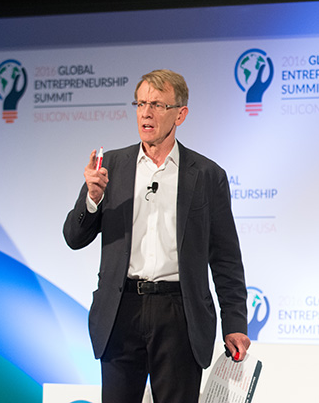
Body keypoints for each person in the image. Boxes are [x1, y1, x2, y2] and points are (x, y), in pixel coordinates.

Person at [63, 69, 250, 403]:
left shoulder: (206, 175)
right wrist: (92, 199)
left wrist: (234, 321)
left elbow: (225, 257)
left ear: (180, 114)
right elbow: (74, 238)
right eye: (141, 104)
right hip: (122, 310)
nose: (146, 113)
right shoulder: (111, 167)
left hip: (179, 312)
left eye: (158, 105)